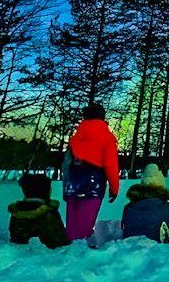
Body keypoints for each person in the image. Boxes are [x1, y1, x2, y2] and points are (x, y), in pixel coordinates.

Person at [62, 103, 120, 241]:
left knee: (72, 224)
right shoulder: (107, 137)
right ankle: (82, 252)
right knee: (85, 224)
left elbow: (66, 162)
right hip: (94, 183)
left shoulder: (76, 138)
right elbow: (111, 165)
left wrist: (66, 187)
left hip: (73, 181)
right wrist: (114, 188)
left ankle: (69, 248)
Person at [121, 163, 169, 243]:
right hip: (155, 247)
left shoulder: (129, 207)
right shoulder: (165, 207)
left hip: (130, 245)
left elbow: (124, 228)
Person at [8, 172, 69, 249]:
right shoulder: (49, 213)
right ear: (47, 191)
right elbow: (62, 241)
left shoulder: (17, 212)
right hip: (48, 255)